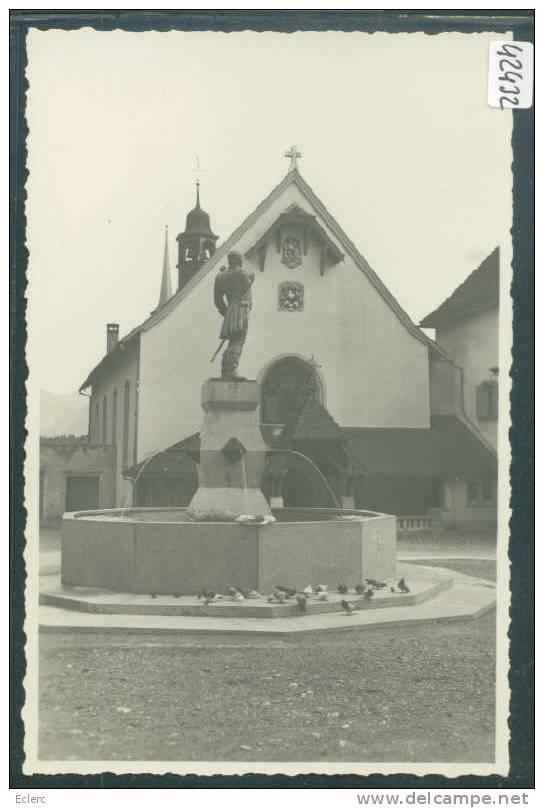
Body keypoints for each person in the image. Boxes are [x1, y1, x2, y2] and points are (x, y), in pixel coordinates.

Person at [213, 251, 255, 378]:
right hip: (242, 310)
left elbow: (218, 300)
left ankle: (225, 370)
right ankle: (231, 371)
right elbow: (251, 276)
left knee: (231, 342)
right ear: (239, 261)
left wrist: (225, 312)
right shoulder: (246, 273)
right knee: (238, 341)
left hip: (230, 311)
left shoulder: (220, 277)